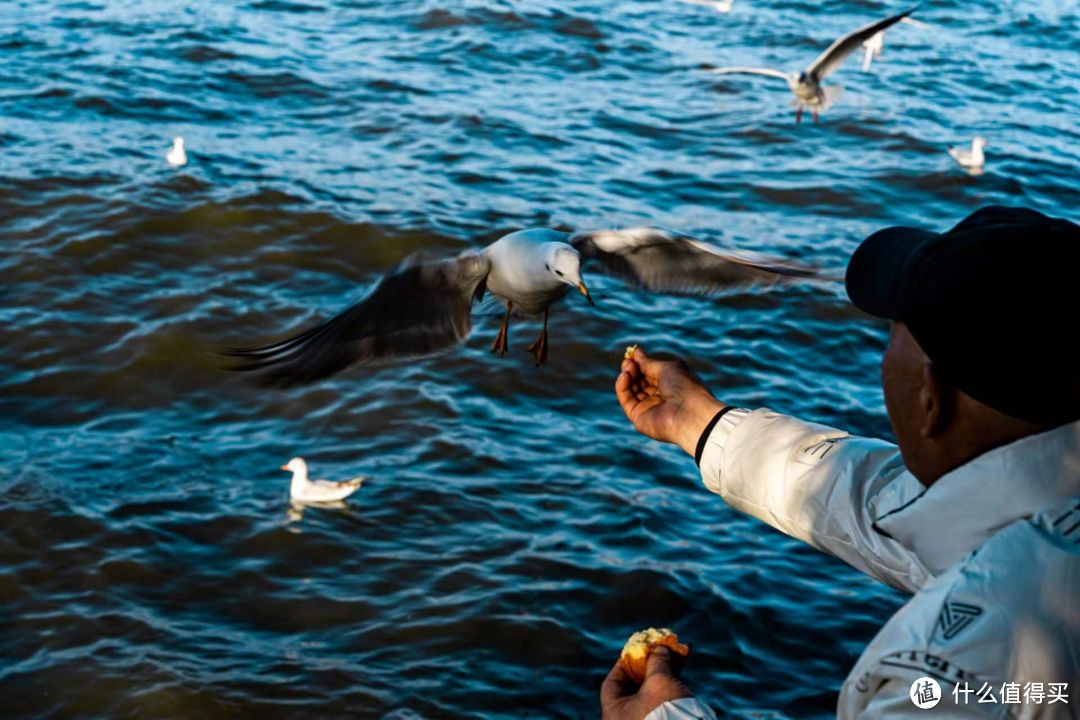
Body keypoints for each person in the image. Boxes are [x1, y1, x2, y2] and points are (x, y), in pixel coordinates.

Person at [601, 206, 1080, 719]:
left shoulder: (960, 665)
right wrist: (703, 425)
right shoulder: (1038, 516)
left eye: (893, 331)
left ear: (931, 400)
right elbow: (882, 508)